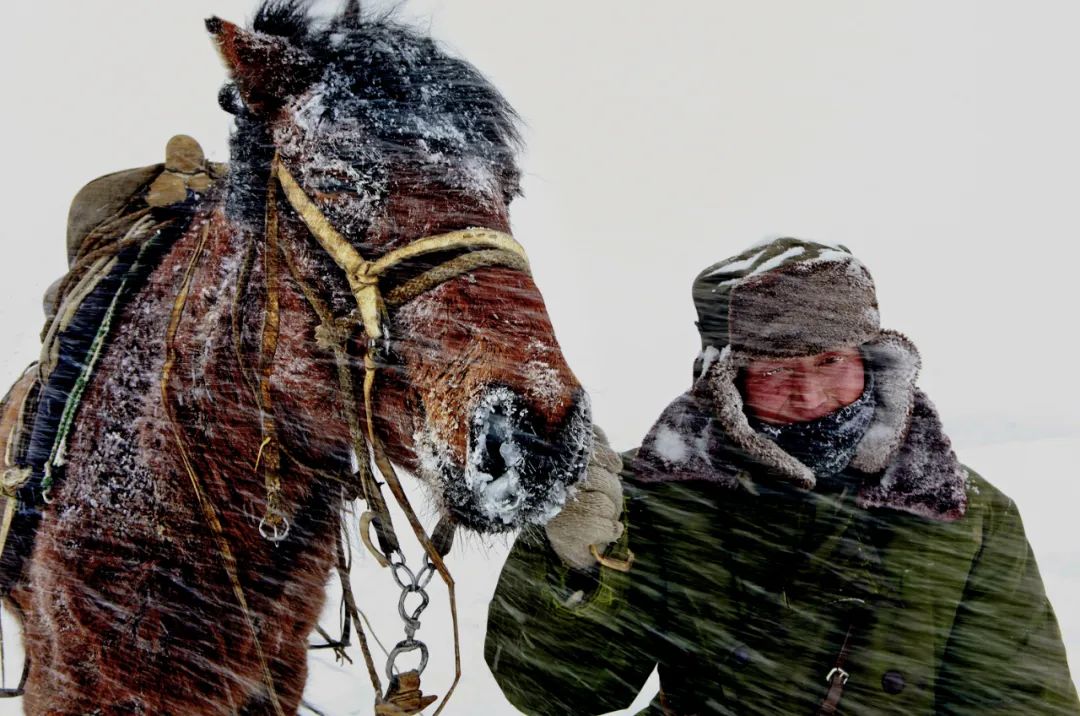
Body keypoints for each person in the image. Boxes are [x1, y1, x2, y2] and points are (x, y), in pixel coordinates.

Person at [484, 238, 1080, 715]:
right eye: (773, 368)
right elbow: (556, 695)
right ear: (725, 381)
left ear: (870, 363)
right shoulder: (651, 496)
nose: (809, 392)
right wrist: (574, 564)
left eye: (830, 361)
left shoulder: (962, 510)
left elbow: (1021, 699)